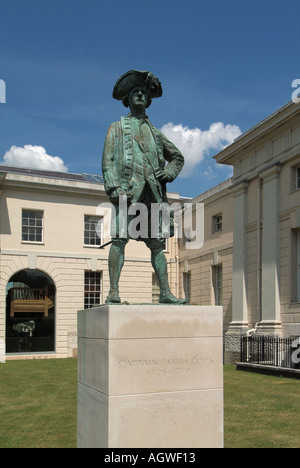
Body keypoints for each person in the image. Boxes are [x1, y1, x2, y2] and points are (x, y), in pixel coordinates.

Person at [102, 70, 186, 305]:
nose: (139, 95)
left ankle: (165, 293)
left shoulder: (156, 134)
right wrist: (114, 187)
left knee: (157, 245)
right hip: (126, 192)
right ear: (127, 100)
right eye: (134, 92)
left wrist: (168, 173)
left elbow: (178, 157)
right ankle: (113, 292)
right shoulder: (116, 128)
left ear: (148, 100)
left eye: (143, 92)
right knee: (119, 239)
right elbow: (107, 161)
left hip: (153, 194)